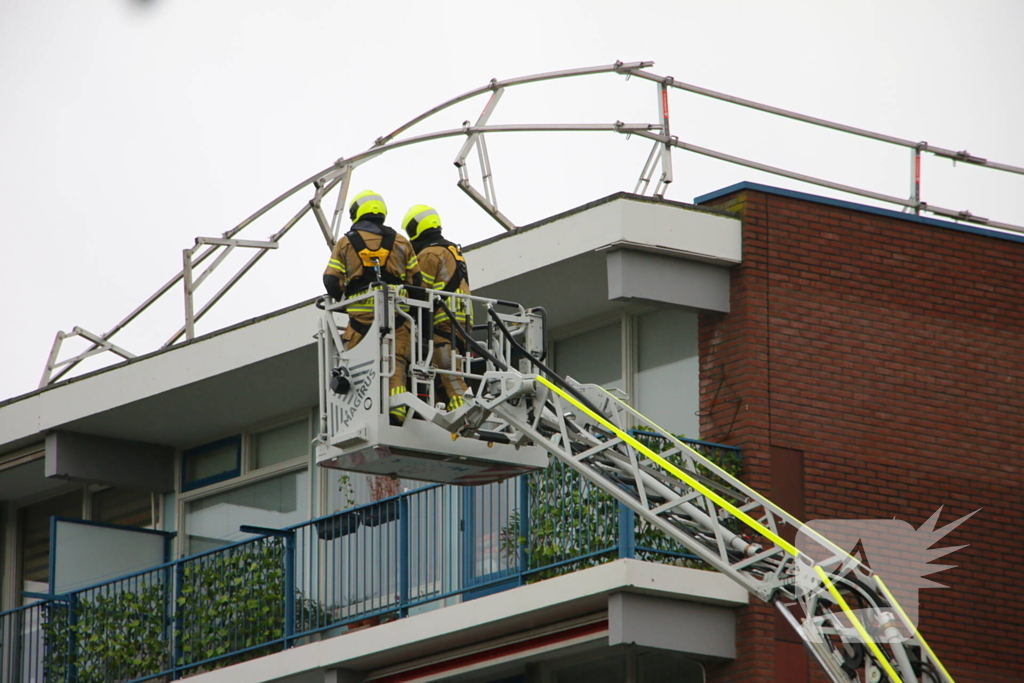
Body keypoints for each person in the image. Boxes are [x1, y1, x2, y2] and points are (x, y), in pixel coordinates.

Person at [323, 191, 422, 425]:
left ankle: (358, 415)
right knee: (395, 363)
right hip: (395, 317)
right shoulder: (401, 241)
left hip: (359, 319)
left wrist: (343, 296)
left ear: (357, 213)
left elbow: (331, 282)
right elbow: (417, 284)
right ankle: (397, 412)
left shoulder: (346, 243)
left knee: (354, 365)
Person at [401, 204, 472, 410]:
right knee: (443, 375)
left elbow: (418, 290)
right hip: (461, 321)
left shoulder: (429, 254)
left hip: (443, 321)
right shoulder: (453, 251)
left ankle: (462, 409)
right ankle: (449, 408)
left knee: (449, 371)